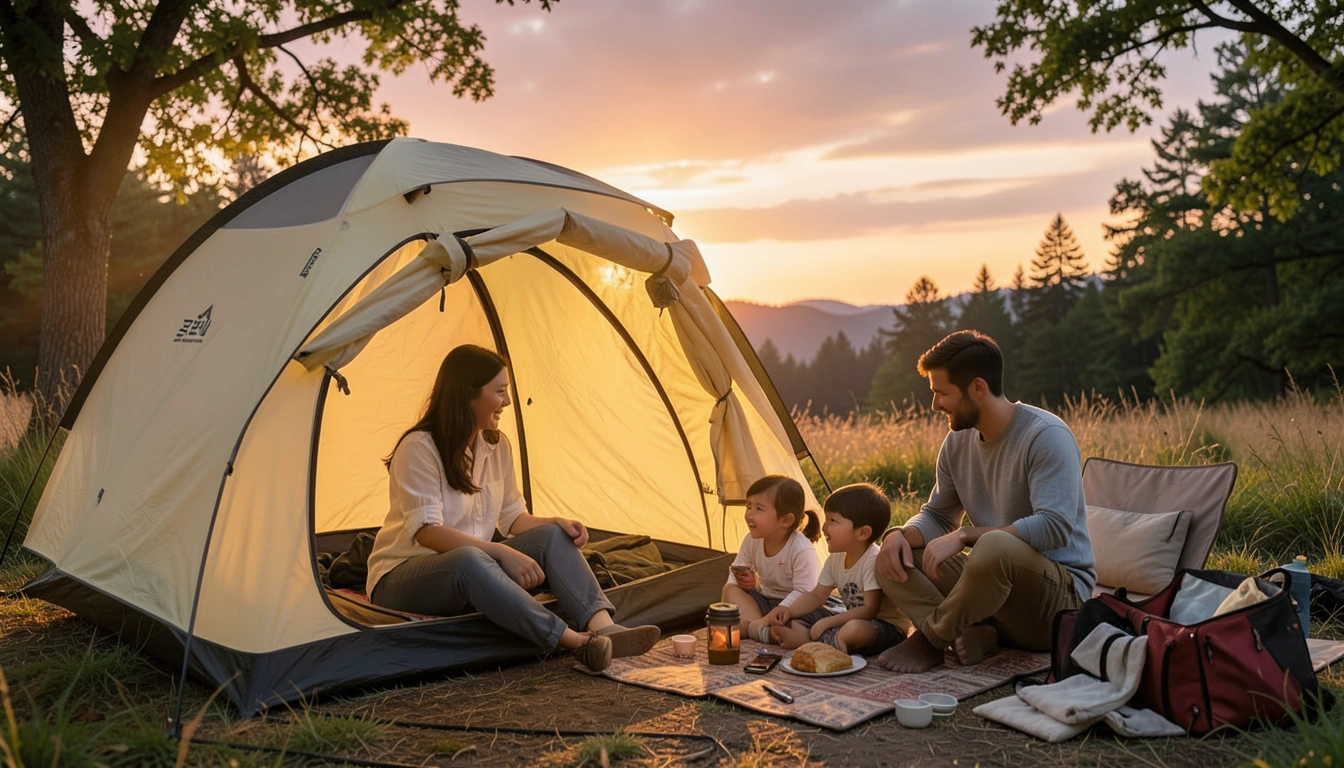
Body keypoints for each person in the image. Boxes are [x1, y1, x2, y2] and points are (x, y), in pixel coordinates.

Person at [365, 344, 660, 673]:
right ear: (468, 394)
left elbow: (511, 517)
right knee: (470, 559)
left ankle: (603, 628)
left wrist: (555, 522)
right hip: (402, 579)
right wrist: (501, 553)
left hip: (473, 568)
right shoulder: (419, 448)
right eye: (500, 392)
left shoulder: (496, 445)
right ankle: (578, 644)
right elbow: (428, 533)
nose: (507, 402)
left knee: (549, 535)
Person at [874, 330, 1095, 673]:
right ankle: (976, 632)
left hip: (1057, 603)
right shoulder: (956, 443)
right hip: (993, 592)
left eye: (942, 393)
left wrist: (966, 536)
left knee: (992, 546)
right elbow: (937, 515)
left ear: (978, 388)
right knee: (892, 559)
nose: (935, 405)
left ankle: (932, 640)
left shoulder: (1046, 436)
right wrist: (897, 535)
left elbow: (1055, 527)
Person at [763, 483, 910, 655]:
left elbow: (870, 610)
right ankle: (824, 640)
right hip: (851, 621)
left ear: (862, 533)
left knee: (852, 629)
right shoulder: (836, 557)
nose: (824, 527)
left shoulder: (872, 560)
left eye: (832, 520)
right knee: (798, 618)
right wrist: (788, 610)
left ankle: (817, 641)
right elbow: (817, 595)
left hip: (885, 627)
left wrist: (828, 623)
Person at [721, 475, 830, 644]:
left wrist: (778, 612)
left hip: (794, 609)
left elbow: (805, 591)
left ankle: (754, 629)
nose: (749, 514)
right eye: (748, 506)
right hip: (765, 602)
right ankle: (759, 629)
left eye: (758, 509)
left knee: (798, 628)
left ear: (786, 520)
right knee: (731, 591)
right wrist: (740, 582)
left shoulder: (801, 549)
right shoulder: (752, 540)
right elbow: (736, 571)